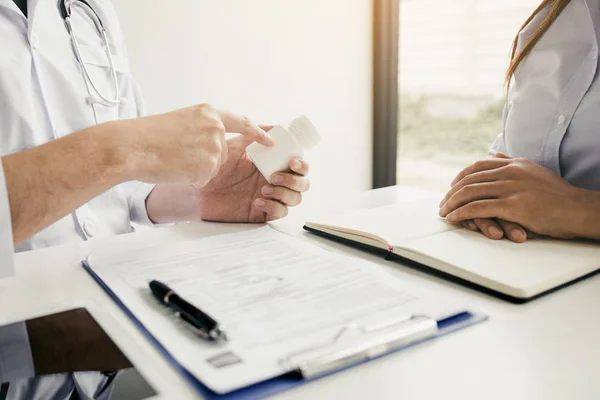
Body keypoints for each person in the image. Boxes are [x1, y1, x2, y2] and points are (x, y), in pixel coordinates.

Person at [0, 0, 311, 276]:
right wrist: (124, 148)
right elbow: (125, 153)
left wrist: (202, 194)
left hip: (116, 283)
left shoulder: (90, 10)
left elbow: (124, 189)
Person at [439, 0, 600, 243]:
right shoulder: (548, 20)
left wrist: (575, 210)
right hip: (512, 262)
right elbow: (511, 151)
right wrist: (489, 199)